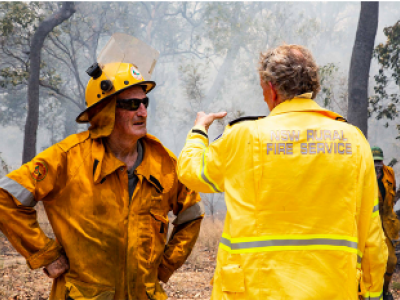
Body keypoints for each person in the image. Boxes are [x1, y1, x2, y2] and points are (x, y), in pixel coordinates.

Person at [0, 34, 204, 300]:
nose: (142, 111)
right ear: (106, 110)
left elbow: (191, 214)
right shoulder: (67, 158)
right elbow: (6, 197)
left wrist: (164, 267)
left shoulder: (163, 161)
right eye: (132, 104)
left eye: (145, 102)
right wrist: (45, 254)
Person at [177, 44, 387, 300]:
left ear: (271, 88)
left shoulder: (244, 136)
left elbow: (190, 172)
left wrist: (199, 130)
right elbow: (372, 235)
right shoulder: (354, 142)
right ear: (313, 85)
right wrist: (374, 293)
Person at [372, 146, 400, 300]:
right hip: (371, 223)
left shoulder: (389, 172)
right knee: (373, 260)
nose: (377, 164)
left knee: (391, 260)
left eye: (379, 161)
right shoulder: (364, 174)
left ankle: (386, 289)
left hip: (388, 222)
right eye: (374, 161)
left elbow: (393, 190)